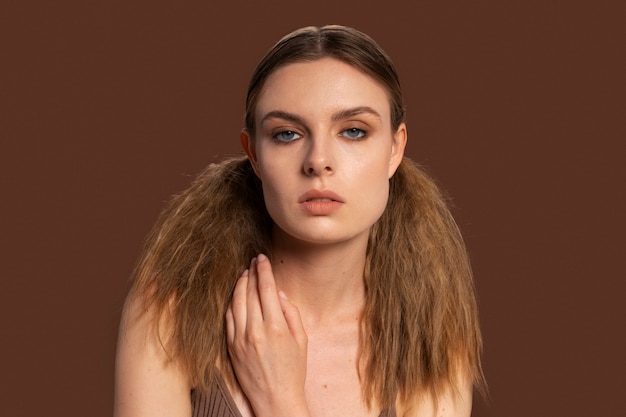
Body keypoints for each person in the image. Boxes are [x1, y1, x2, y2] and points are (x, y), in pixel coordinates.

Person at [114, 25, 485, 417]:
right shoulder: (168, 314)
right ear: (253, 154)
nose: (318, 160)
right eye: (287, 134)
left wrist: (281, 401)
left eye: (354, 131)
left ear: (395, 149)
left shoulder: (431, 338)